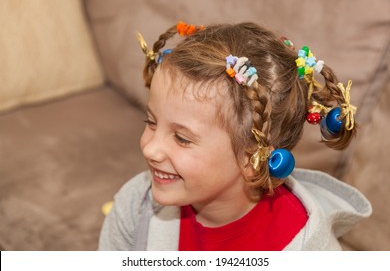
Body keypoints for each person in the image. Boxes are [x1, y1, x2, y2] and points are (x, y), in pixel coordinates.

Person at [98, 21, 372, 251]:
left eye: (182, 138)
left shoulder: (305, 250)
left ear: (252, 159)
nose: (150, 149)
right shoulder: (136, 206)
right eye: (151, 122)